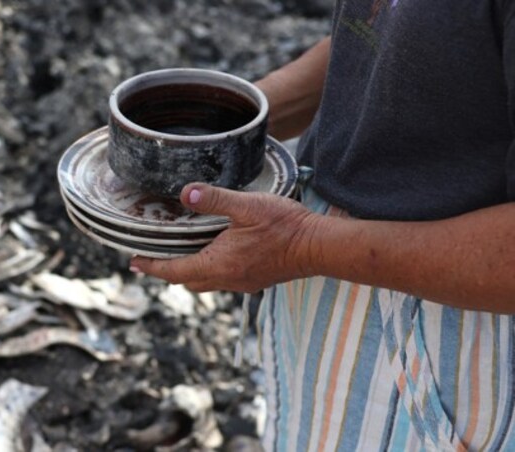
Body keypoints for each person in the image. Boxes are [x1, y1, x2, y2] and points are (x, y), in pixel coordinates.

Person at [129, 1, 515, 450]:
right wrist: (226, 127)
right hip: (335, 277)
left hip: (455, 338)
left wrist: (304, 245)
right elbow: (387, 33)